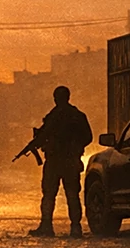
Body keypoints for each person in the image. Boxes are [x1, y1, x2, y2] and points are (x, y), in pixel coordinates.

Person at [28, 86, 93, 238]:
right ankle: (75, 228)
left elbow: (45, 136)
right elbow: (88, 137)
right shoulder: (76, 115)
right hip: (68, 161)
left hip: (56, 161)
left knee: (50, 195)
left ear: (56, 98)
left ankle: (47, 226)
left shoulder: (54, 117)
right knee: (71, 194)